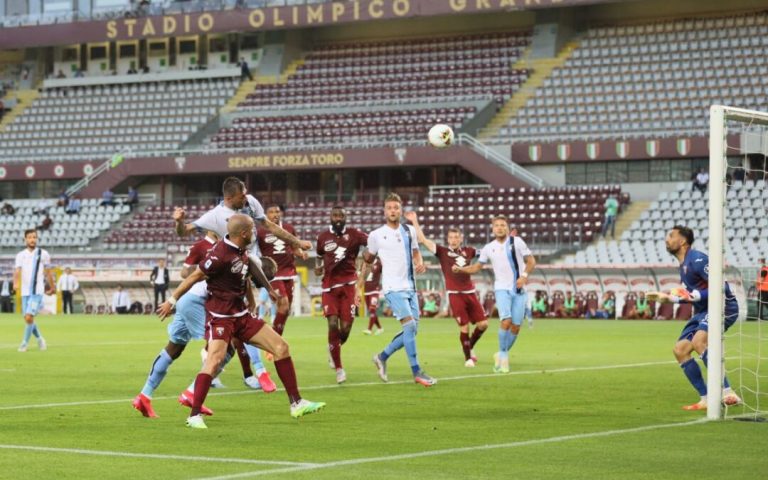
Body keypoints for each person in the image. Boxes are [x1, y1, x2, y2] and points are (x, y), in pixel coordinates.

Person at [157, 214, 325, 428]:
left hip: (241, 315)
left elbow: (251, 267)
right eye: (252, 229)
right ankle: (194, 415)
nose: (255, 232)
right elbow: (193, 277)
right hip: (221, 318)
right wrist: (171, 301)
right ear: (243, 233)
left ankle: (297, 403)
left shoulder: (241, 250)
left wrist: (270, 290)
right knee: (214, 361)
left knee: (281, 347)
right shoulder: (218, 254)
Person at [132, 232, 277, 419]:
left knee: (174, 349)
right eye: (268, 278)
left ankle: (144, 395)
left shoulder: (244, 261)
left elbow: (246, 282)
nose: (264, 283)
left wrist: (250, 301)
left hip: (188, 299)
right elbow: (238, 280)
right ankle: (191, 394)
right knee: (224, 351)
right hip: (198, 303)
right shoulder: (247, 260)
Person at [646, 225, 741, 410]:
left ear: (682, 241)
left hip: (724, 307)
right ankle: (706, 399)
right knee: (680, 350)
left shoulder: (698, 259)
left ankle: (727, 392)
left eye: (671, 236)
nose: (667, 239)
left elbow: (720, 288)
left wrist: (692, 296)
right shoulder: (684, 266)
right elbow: (691, 295)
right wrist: (668, 298)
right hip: (703, 311)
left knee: (699, 342)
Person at [364, 194, 435, 387]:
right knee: (410, 327)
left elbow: (416, 251)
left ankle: (381, 356)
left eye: (396, 207)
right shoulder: (376, 235)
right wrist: (358, 284)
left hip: (410, 288)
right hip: (392, 288)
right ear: (385, 211)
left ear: (401, 210)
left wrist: (419, 262)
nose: (393, 211)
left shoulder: (409, 230)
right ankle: (417, 371)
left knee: (411, 330)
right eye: (389, 208)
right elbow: (368, 260)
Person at [454, 216, 536, 374]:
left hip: (519, 289)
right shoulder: (488, 248)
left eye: (502, 225)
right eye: (496, 225)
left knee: (516, 326)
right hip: (501, 288)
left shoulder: (516, 242)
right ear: (492, 229)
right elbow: (477, 267)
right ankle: (503, 356)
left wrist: (524, 276)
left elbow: (531, 261)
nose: (499, 228)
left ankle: (500, 353)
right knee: (506, 321)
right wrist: (461, 269)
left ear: (507, 227)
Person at [406, 212, 489, 367]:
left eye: (456, 237)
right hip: (455, 294)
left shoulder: (469, 251)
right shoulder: (442, 252)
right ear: (448, 239)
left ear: (461, 238)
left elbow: (487, 252)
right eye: (451, 237)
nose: (454, 240)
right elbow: (423, 240)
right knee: (464, 326)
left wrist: (505, 243)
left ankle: (469, 346)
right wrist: (415, 221)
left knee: (483, 324)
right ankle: (468, 359)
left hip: (470, 293)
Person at [314, 205, 368, 384]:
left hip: (349, 286)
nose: (338, 218)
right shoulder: (322, 237)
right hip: (329, 287)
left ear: (345, 217)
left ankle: (333, 348)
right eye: (335, 215)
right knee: (332, 323)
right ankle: (339, 368)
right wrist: (317, 266)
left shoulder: (354, 234)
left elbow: (372, 243)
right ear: (330, 217)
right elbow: (319, 255)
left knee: (345, 329)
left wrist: (370, 257)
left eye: (341, 216)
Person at [255, 203, 306, 337]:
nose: (275, 214)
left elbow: (295, 247)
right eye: (271, 212)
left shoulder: (289, 229)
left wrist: (301, 253)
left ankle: (275, 335)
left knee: (286, 309)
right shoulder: (260, 232)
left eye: (277, 211)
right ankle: (275, 340)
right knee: (283, 305)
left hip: (289, 273)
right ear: (266, 215)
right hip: (272, 275)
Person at [14, 229, 54, 352]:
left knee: (29, 316)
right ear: (25, 239)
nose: (32, 239)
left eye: (34, 237)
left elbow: (48, 272)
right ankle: (40, 339)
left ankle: (24, 343)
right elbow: (17, 271)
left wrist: (52, 286)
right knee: (28, 319)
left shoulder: (43, 253)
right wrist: (16, 283)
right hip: (25, 291)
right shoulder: (20, 255)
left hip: (37, 291)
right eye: (30, 237)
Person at [362, 257, 383, 335]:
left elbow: (387, 272)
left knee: (372, 309)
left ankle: (369, 329)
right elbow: (362, 276)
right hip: (366, 291)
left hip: (374, 290)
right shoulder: (365, 263)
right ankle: (380, 328)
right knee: (371, 311)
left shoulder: (379, 263)